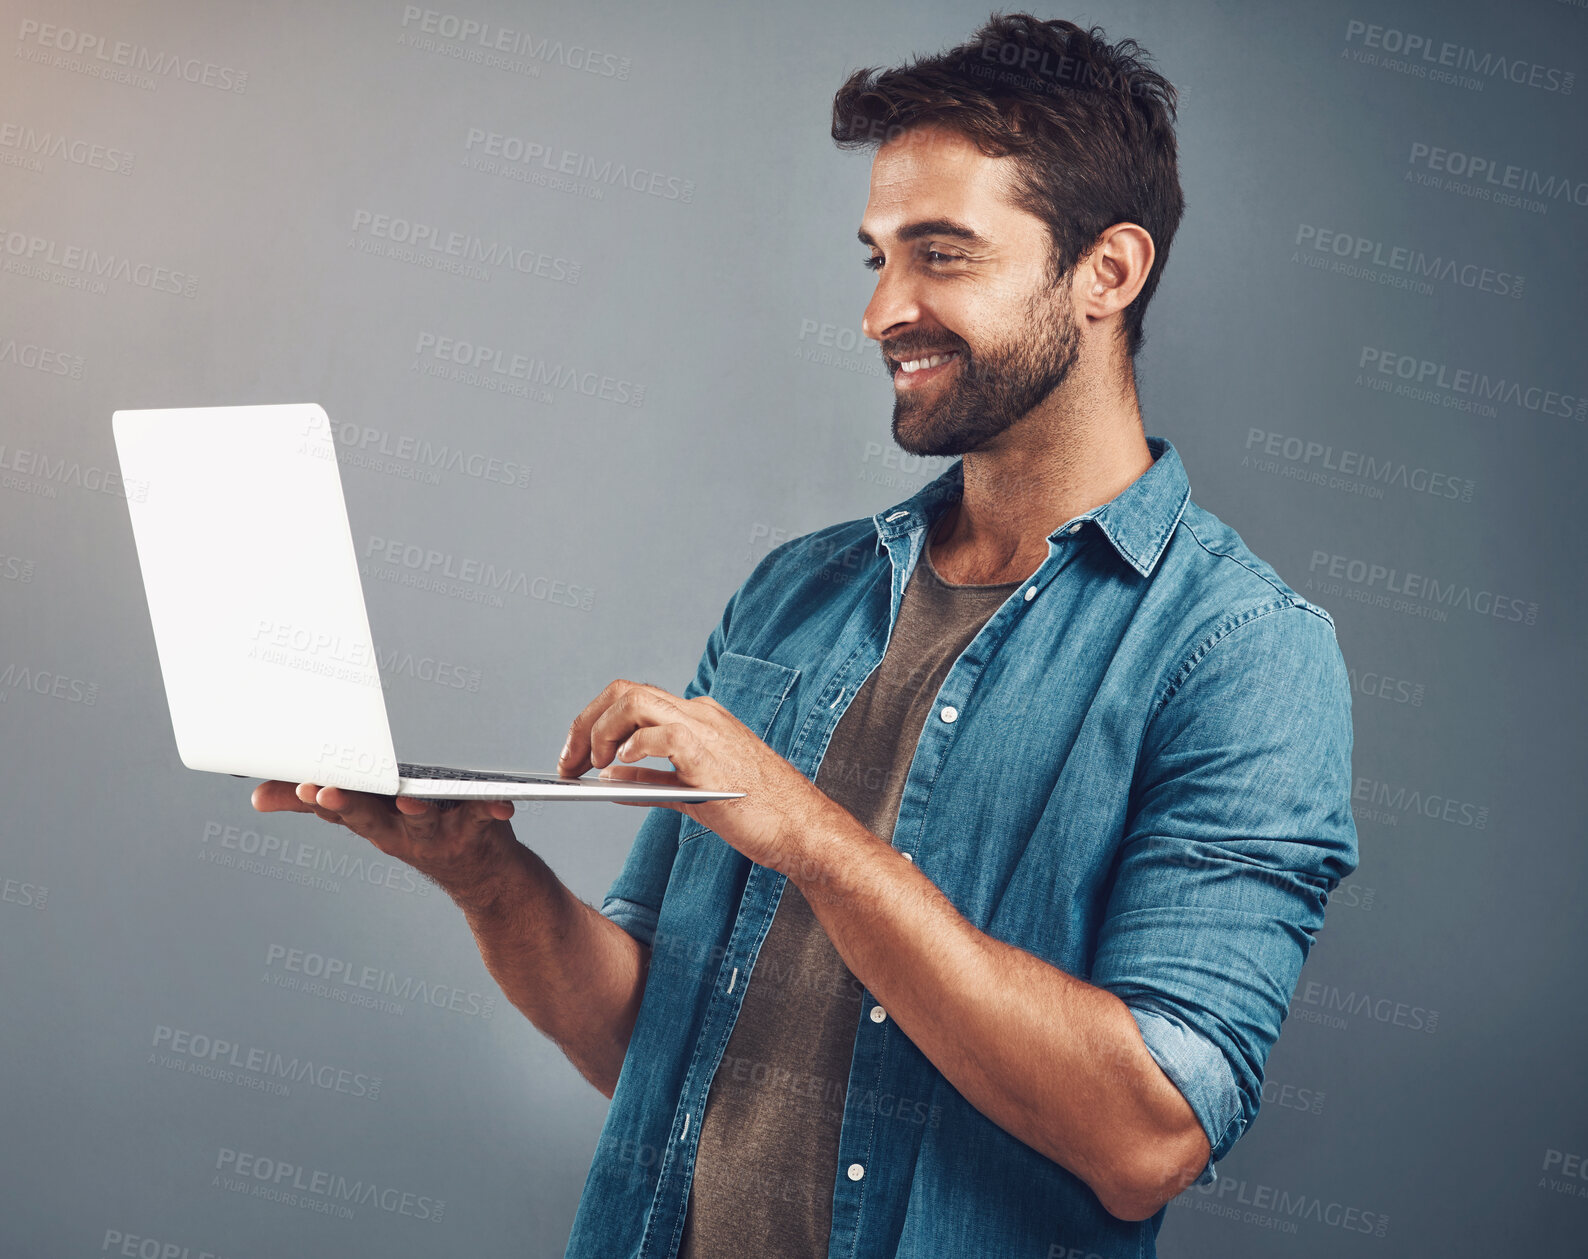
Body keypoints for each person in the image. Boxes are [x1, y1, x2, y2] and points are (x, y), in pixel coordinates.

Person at [254, 15, 1358, 1258]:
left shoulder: (1241, 656)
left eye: (942, 255)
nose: (887, 308)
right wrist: (483, 874)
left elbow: (1146, 1140)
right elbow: (648, 1043)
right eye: (877, 257)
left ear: (1106, 272)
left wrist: (816, 840)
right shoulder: (798, 593)